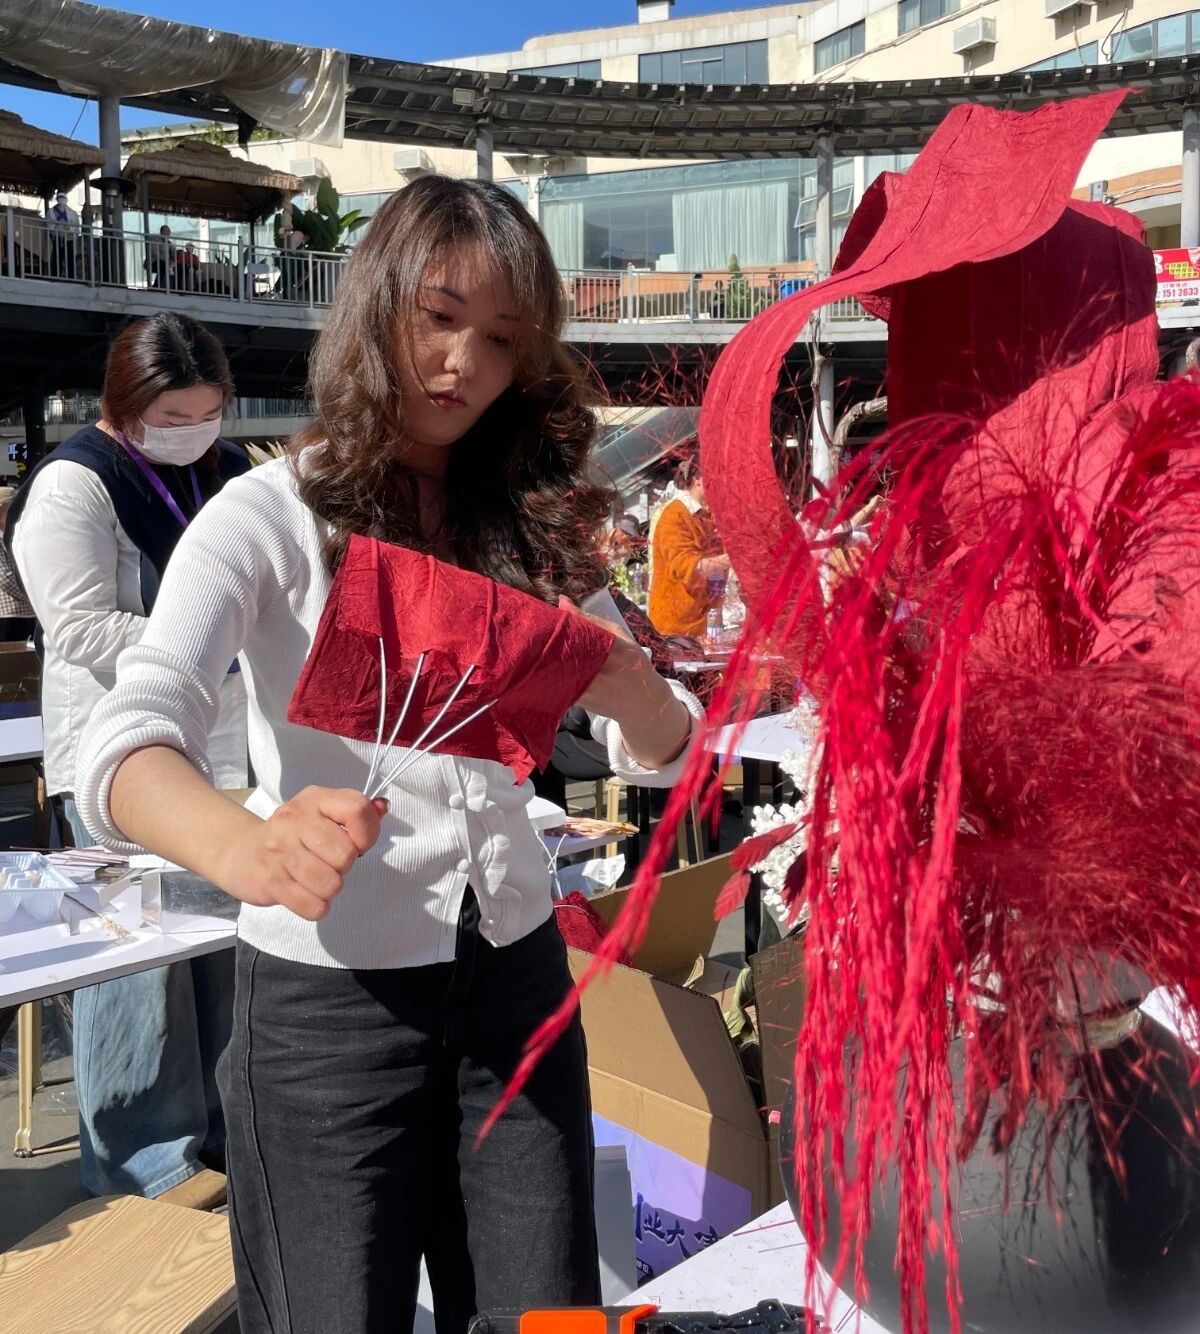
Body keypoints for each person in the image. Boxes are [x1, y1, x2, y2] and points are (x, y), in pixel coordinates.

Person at [76, 176, 702, 1334]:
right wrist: (248, 845)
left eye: (501, 338)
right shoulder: (269, 515)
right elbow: (125, 741)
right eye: (439, 316)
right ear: (375, 305)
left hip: (518, 984)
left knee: (549, 1314)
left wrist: (636, 691)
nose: (464, 362)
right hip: (328, 1003)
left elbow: (662, 752)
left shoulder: (534, 522)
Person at [8, 313, 250, 1199]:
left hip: (224, 752)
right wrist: (212, 639)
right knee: (137, 969)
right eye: (172, 417)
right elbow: (78, 626)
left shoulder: (230, 471)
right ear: (123, 406)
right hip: (116, 759)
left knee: (221, 954)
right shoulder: (75, 483)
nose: (193, 432)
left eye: (207, 413)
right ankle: (143, 1169)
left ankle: (221, 1143)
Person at [648, 455, 730, 639]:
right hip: (675, 631)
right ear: (698, 479)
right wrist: (733, 558)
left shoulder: (709, 516)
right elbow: (688, 568)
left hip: (705, 627)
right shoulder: (674, 514)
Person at [0, 487, 35, 643]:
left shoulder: (13, 534)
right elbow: (5, 577)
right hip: (9, 614)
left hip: (24, 613)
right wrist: (32, 595)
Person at [47, 190, 79, 280]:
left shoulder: (72, 212)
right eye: (60, 198)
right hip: (57, 238)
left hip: (69, 238)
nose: (61, 200)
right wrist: (58, 227)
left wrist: (69, 228)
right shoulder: (51, 212)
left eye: (63, 198)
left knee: (70, 259)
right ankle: (55, 277)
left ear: (66, 199)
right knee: (57, 258)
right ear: (57, 199)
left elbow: (76, 226)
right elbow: (49, 226)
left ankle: (71, 278)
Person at [148, 224, 175, 289]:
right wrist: (166, 261)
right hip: (154, 262)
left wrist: (174, 261)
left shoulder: (169, 243)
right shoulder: (155, 240)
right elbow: (155, 253)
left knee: (178, 267)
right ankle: (157, 286)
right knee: (162, 265)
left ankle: (175, 287)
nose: (167, 233)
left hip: (167, 262)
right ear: (161, 232)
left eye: (168, 231)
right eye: (165, 231)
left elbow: (173, 254)